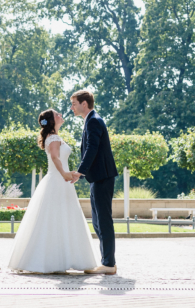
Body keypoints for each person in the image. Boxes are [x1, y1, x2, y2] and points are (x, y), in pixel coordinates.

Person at [8, 109, 97, 274]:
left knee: (60, 218)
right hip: (58, 180)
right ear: (51, 120)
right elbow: (55, 157)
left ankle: (58, 258)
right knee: (57, 218)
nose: (61, 116)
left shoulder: (54, 136)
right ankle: (55, 260)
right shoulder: (54, 138)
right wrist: (64, 174)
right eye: (57, 115)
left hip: (59, 181)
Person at [70, 89, 118, 275]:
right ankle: (107, 262)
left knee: (103, 220)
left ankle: (108, 264)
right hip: (97, 177)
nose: (72, 108)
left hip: (102, 176)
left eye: (74, 104)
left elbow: (92, 148)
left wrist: (80, 172)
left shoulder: (94, 121)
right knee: (98, 221)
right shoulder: (91, 120)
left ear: (84, 103)